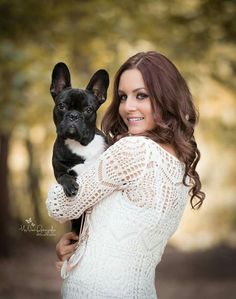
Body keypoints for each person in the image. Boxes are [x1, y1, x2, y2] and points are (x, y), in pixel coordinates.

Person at [46, 51, 205, 298]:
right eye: (122, 97)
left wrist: (70, 173)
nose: (128, 107)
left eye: (141, 95)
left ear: (166, 98)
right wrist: (80, 244)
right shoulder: (180, 163)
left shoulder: (131, 149)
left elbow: (59, 206)